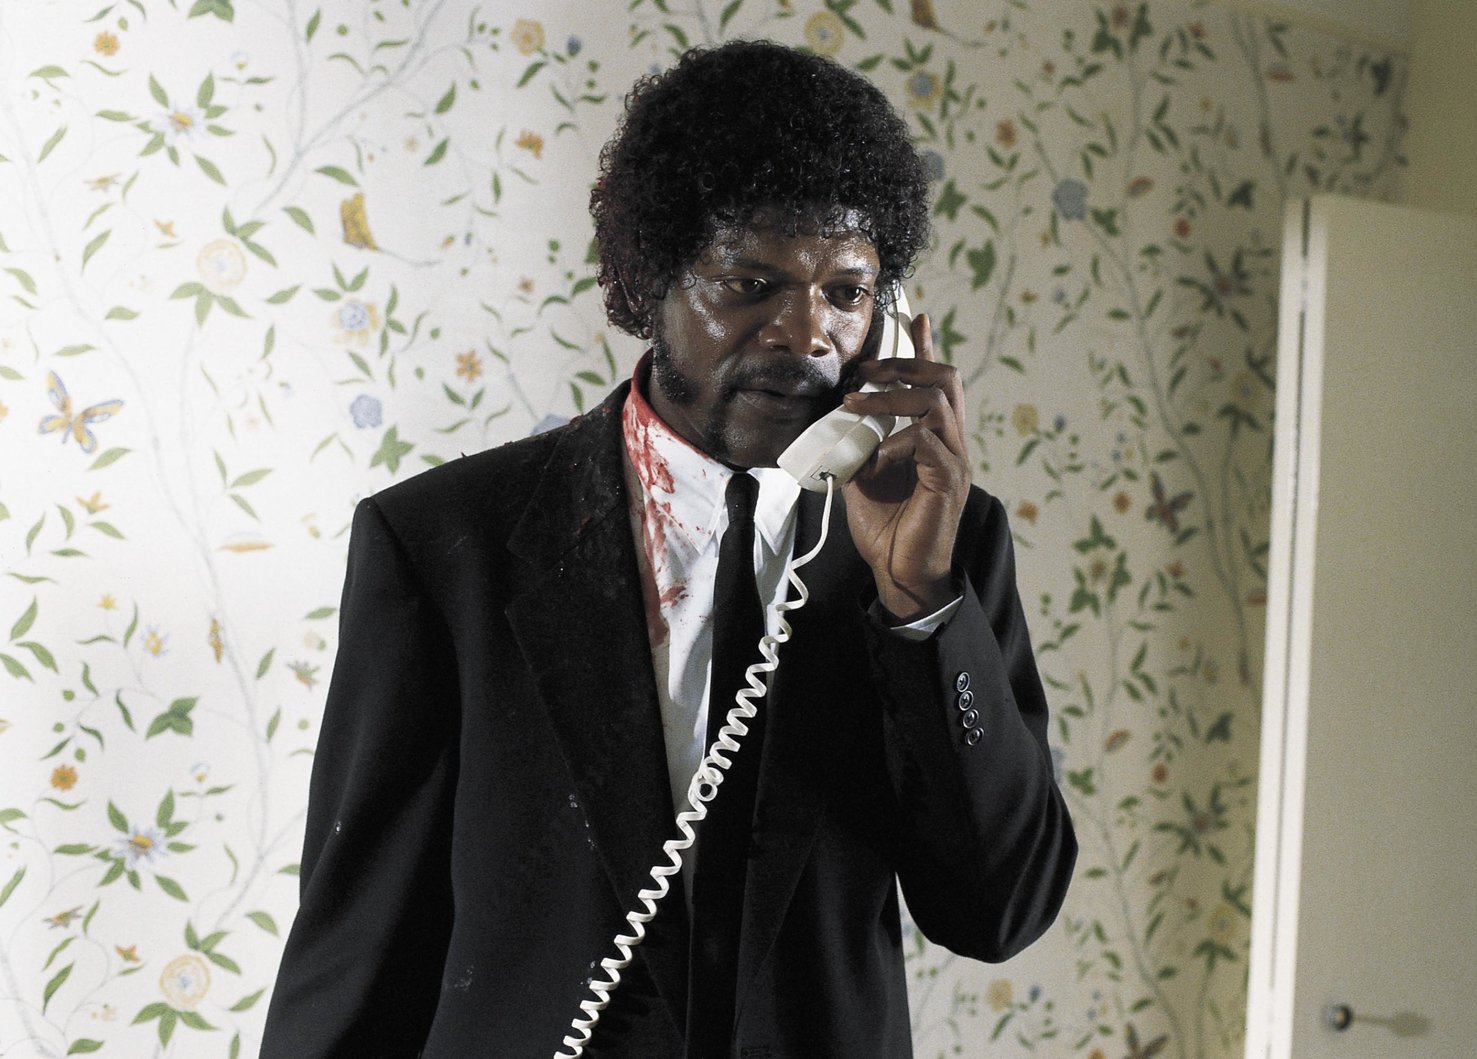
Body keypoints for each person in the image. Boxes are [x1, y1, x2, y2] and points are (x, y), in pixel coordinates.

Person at [261, 39, 1075, 1059]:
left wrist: (922, 606)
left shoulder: (942, 538)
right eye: (750, 282)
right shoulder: (444, 546)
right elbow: (360, 954)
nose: (805, 333)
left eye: (846, 292)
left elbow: (999, 910)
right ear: (652, 278)